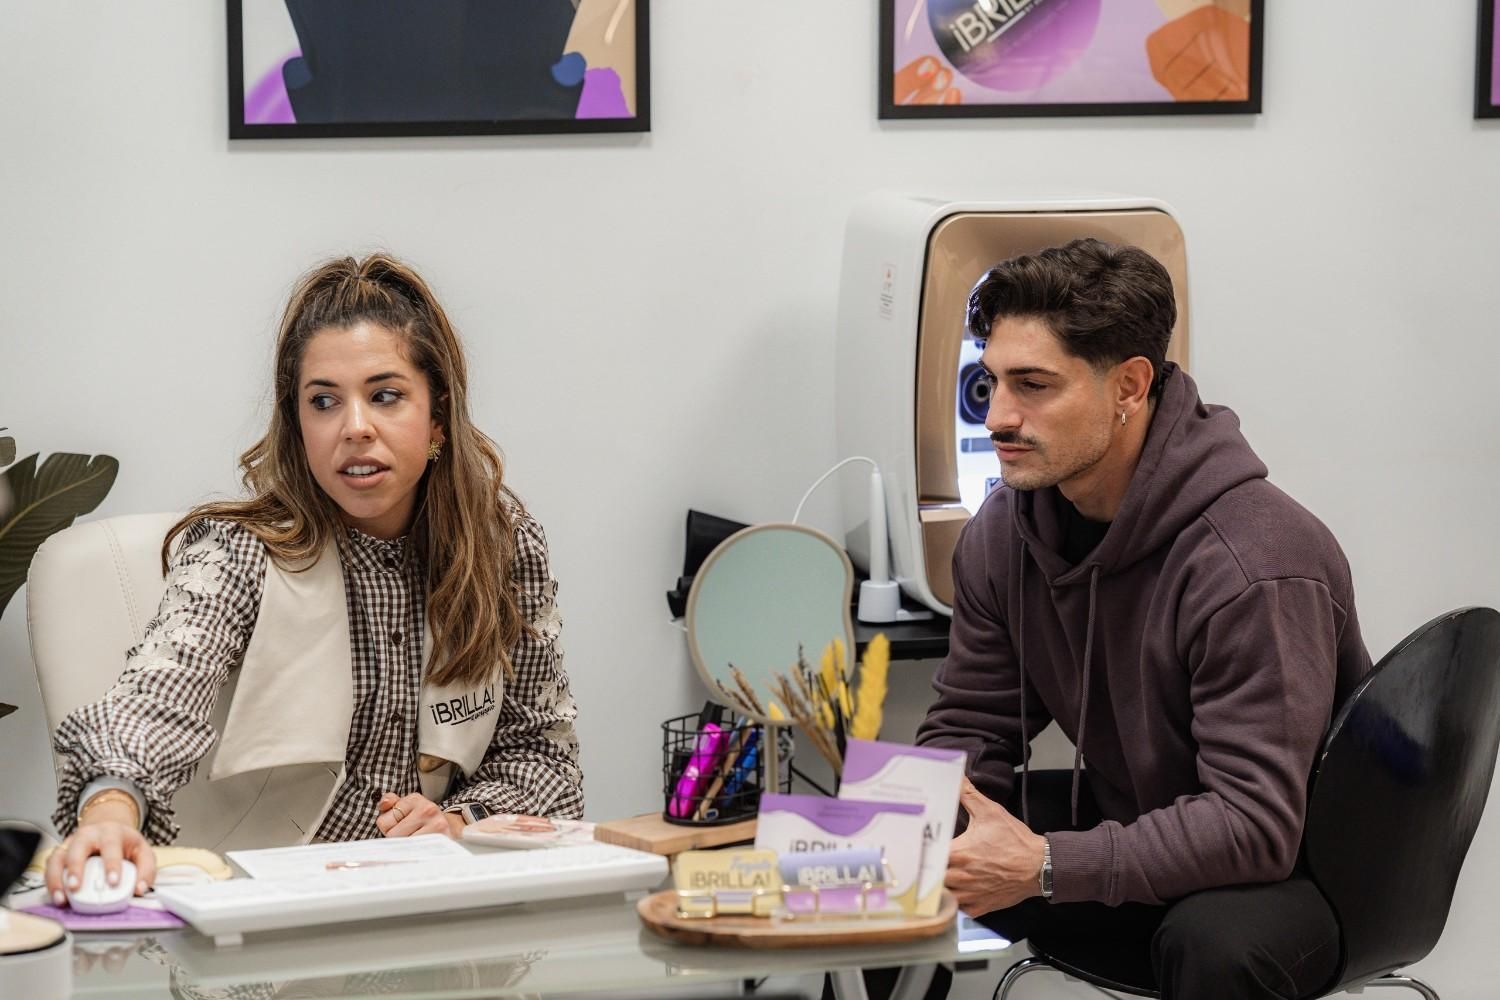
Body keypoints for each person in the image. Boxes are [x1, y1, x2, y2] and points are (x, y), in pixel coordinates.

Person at [44, 254, 583, 905]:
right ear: (298, 427)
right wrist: (108, 811)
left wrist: (456, 821)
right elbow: (152, 702)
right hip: (253, 921)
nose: (355, 428)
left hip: (427, 911)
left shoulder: (501, 548)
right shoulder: (241, 551)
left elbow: (544, 757)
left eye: (385, 396)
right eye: (324, 402)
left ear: (437, 417)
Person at [915, 239, 1371, 999]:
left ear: (1129, 386)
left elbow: (1255, 824)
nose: (997, 416)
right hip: (1151, 821)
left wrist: (1049, 865)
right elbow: (971, 722)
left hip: (1302, 871)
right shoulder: (1004, 534)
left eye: (1033, 385)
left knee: (1211, 945)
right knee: (922, 843)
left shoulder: (1253, 562)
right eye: (989, 381)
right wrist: (909, 831)